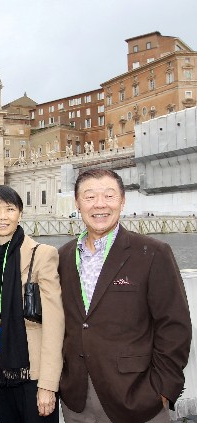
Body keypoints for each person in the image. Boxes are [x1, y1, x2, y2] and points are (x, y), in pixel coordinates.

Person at [58, 169, 192, 423]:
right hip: (77, 398)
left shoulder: (153, 253)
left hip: (137, 396)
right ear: (77, 203)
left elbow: (175, 326)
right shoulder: (63, 256)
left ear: (122, 201)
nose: (100, 204)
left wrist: (163, 389)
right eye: (89, 197)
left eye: (109, 196)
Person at [0, 185, 64, 423]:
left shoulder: (42, 254)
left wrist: (48, 384)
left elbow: (55, 324)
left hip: (32, 370)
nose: (3, 216)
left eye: (10, 209)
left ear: (20, 214)